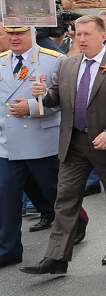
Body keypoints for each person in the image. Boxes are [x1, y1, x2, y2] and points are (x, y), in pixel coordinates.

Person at [20, 16, 106, 275]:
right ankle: (57, 256)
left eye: (87, 34)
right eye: (77, 34)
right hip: (74, 143)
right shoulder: (68, 65)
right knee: (65, 199)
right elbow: (54, 98)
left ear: (103, 35)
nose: (80, 39)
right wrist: (42, 94)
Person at [0, 26, 64, 270]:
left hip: (40, 141)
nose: (14, 38)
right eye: (9, 33)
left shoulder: (53, 60)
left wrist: (34, 107)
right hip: (7, 144)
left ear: (34, 33)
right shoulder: (2, 61)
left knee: (55, 194)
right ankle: (8, 250)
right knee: (6, 198)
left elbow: (66, 100)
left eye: (21, 33)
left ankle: (76, 225)